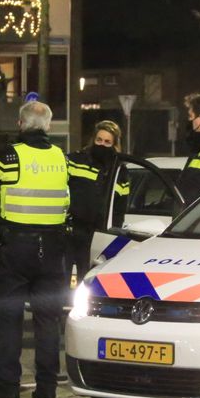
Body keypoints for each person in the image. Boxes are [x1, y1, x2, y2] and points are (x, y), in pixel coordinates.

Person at [0, 100, 70, 398]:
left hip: (17, 248)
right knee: (48, 320)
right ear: (48, 127)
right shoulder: (60, 157)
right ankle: (46, 389)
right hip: (53, 250)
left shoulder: (10, 155)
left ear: (20, 124)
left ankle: (7, 390)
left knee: (9, 317)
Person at [65, 119, 129, 288]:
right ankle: (58, 311)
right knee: (63, 276)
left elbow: (120, 207)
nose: (102, 144)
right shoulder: (76, 160)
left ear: (115, 144)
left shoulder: (119, 171)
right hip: (71, 228)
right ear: (93, 139)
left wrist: (112, 232)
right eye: (99, 140)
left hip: (97, 233)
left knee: (88, 279)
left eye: (107, 142)